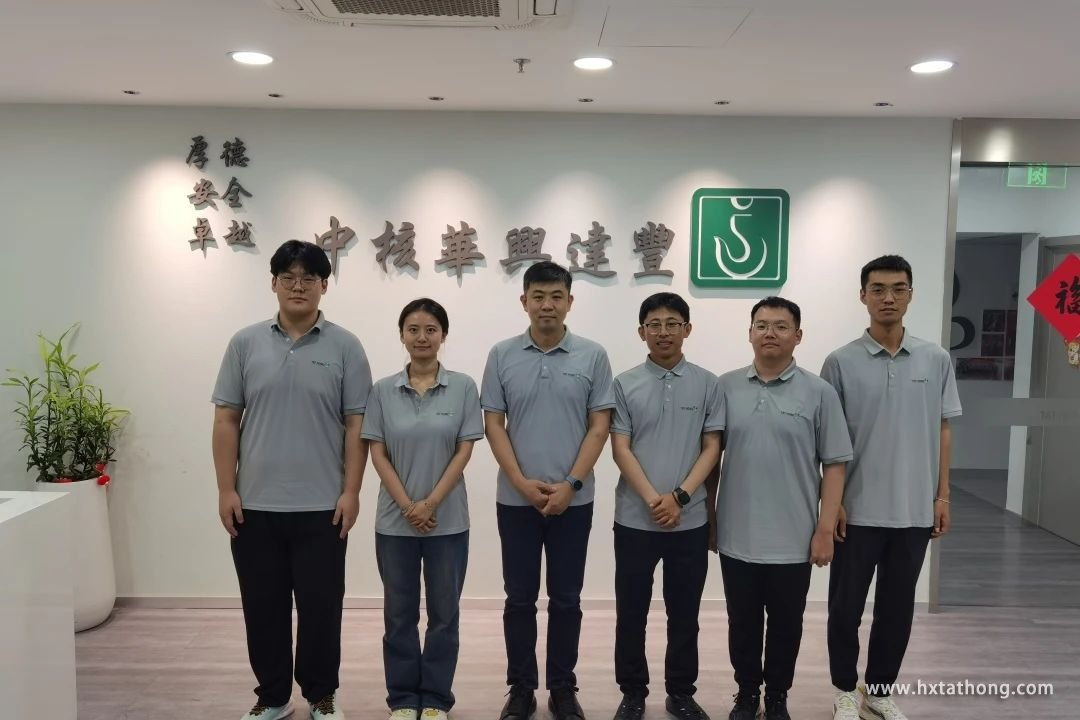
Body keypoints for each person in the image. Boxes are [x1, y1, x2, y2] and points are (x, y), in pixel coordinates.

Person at [212, 239, 372, 720]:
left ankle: (321, 694)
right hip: (254, 505)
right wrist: (226, 489)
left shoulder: (345, 346)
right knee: (263, 607)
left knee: (322, 608)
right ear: (274, 284)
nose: (298, 286)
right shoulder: (244, 343)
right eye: (288, 277)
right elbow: (226, 420)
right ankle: (274, 696)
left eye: (308, 278)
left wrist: (351, 491)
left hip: (323, 505)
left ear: (324, 286)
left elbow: (357, 425)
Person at [821, 255, 961, 720]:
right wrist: (833, 503)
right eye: (878, 289)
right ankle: (845, 689)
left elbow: (943, 429)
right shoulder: (840, 362)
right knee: (845, 608)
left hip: (913, 510)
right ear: (862, 296)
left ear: (911, 295)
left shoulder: (935, 359)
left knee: (897, 610)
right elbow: (828, 440)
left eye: (898, 288)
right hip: (856, 511)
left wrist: (942, 495)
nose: (888, 298)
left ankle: (879, 691)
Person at [481, 261, 615, 720]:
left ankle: (562, 687)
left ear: (569, 302)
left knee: (566, 599)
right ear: (524, 301)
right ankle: (521, 689)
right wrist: (521, 482)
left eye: (556, 296)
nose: (547, 305)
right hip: (515, 501)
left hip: (573, 501)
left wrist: (571, 484)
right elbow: (494, 424)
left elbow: (599, 426)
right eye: (538, 296)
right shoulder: (502, 355)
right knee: (519, 599)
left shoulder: (593, 356)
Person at [716, 297, 851, 720]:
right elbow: (710, 457)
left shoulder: (819, 392)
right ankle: (746, 693)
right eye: (761, 325)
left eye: (780, 326)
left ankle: (777, 696)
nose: (769, 333)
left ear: (798, 335)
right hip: (737, 533)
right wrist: (709, 518)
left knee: (786, 624)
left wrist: (824, 529)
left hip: (794, 537)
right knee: (741, 622)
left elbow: (835, 464)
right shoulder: (725, 387)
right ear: (749, 333)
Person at [363, 298, 484, 720]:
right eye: (413, 329)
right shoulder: (382, 391)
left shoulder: (463, 387)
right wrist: (407, 505)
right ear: (401, 335)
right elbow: (378, 453)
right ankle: (401, 698)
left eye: (431, 329)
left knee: (443, 615)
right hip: (394, 524)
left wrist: (429, 503)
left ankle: (434, 698)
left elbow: (464, 450)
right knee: (398, 615)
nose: (422, 337)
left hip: (447, 523)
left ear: (443, 335)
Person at [609, 292, 722, 720]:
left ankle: (681, 693)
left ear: (687, 329)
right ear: (641, 332)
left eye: (673, 323)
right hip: (634, 520)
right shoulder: (624, 384)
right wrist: (653, 499)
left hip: (688, 521)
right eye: (654, 324)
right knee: (631, 612)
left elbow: (712, 447)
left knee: (685, 614)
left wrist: (680, 498)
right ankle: (632, 693)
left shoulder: (708, 384)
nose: (663, 332)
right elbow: (620, 448)